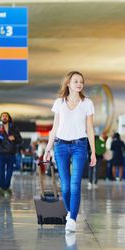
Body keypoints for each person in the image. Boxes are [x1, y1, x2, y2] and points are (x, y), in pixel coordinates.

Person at [43, 71, 96, 233]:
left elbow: (90, 129)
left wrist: (93, 152)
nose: (79, 84)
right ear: (68, 84)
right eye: (76, 81)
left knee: (75, 185)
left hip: (80, 146)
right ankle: (70, 212)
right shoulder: (59, 103)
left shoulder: (87, 103)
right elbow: (54, 128)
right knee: (65, 187)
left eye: (81, 82)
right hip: (60, 146)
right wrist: (48, 148)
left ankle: (72, 219)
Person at [0, 112, 22, 196]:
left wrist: (14, 138)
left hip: (11, 153)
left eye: (6, 116)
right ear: (1, 118)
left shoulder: (14, 128)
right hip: (1, 153)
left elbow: (20, 140)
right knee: (1, 170)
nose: (4, 117)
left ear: (8, 118)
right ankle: (1, 187)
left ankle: (6, 187)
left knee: (10, 171)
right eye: (3, 116)